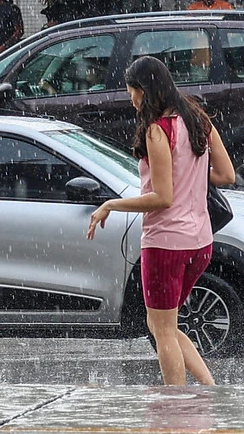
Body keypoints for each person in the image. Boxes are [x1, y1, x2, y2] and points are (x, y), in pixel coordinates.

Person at [86, 56, 235, 386]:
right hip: (200, 242)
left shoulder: (158, 130)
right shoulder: (198, 120)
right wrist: (190, 174)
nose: (130, 99)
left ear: (143, 90)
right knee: (162, 324)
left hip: (166, 242)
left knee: (163, 330)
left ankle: (175, 402)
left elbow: (162, 197)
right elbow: (227, 175)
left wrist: (111, 204)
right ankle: (209, 389)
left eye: (131, 91)